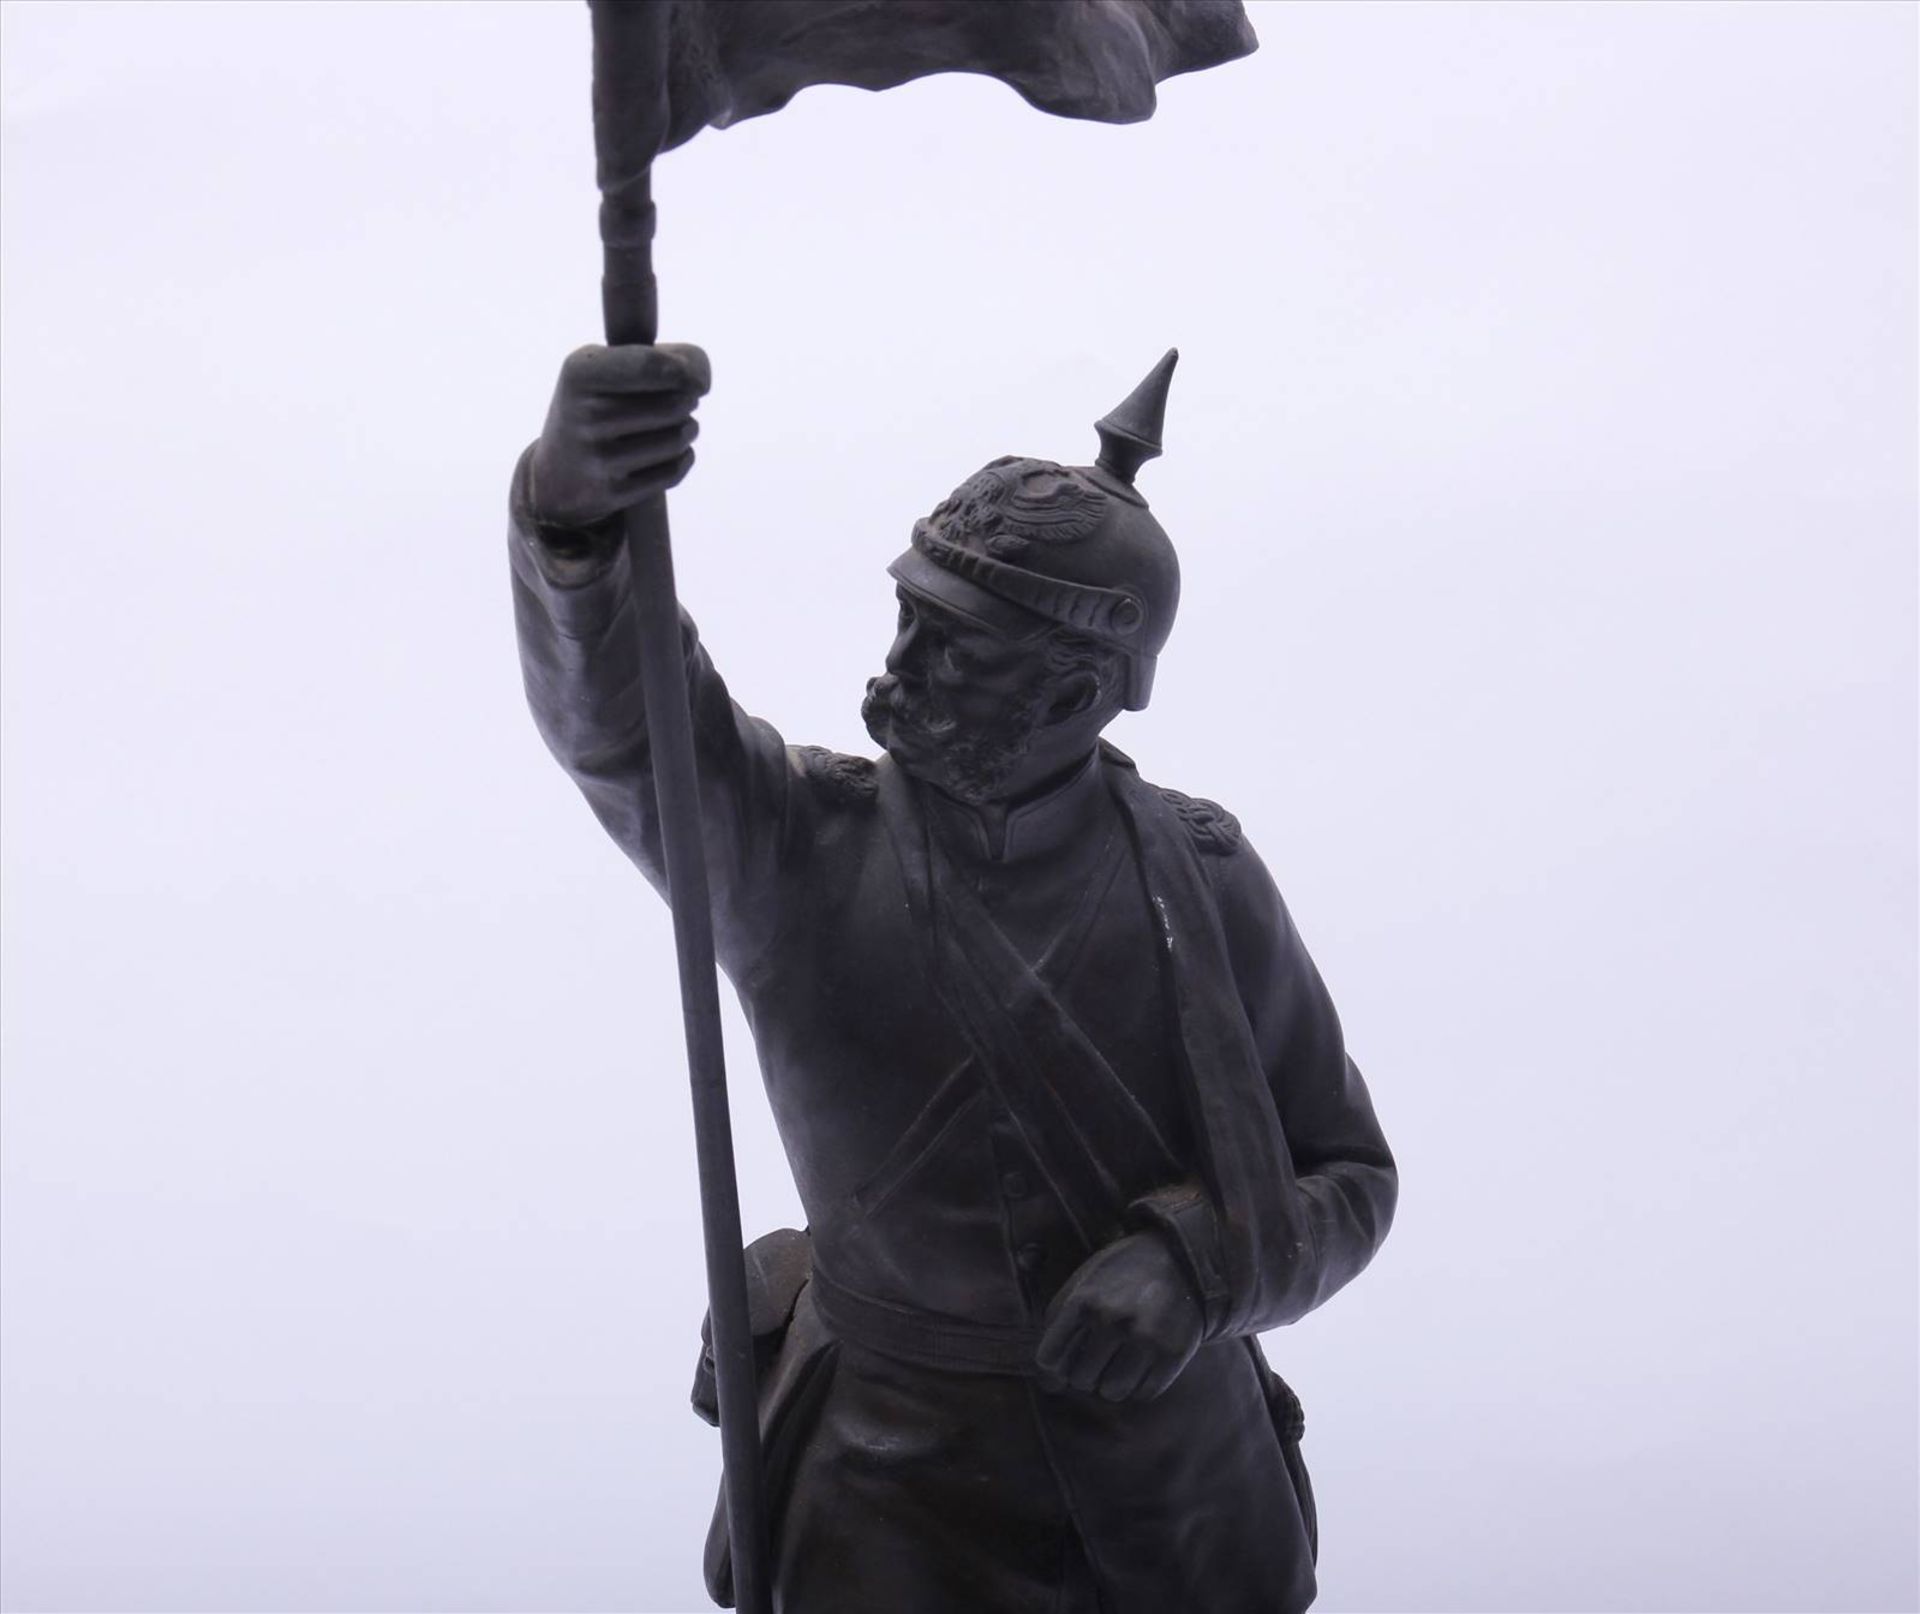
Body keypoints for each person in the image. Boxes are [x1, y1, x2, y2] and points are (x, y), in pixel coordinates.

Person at [509, 340, 1397, 1614]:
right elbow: (625, 725)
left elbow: (1348, 1175)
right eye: (911, 614)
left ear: (1080, 689)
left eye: (955, 642)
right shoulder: (795, 847)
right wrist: (575, 527)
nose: (900, 660)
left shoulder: (1202, 879)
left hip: (1174, 1491)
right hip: (887, 1494)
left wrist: (1197, 1264)